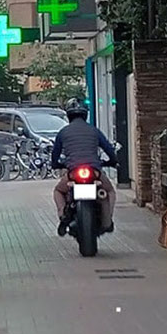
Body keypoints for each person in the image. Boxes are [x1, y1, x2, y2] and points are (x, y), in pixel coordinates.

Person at [51, 98, 118, 236]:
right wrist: (112, 161)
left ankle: (62, 215)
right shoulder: (94, 131)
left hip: (73, 172)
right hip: (94, 172)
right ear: (85, 115)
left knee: (58, 190)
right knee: (109, 191)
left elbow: (55, 154)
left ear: (68, 115)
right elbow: (109, 150)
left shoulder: (63, 132)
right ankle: (107, 221)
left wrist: (55, 164)